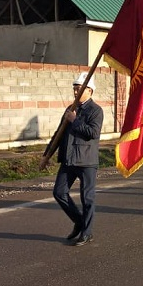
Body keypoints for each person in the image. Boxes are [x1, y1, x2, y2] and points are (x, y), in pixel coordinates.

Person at [44, 72, 103, 246]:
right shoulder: (70, 108)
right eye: (75, 88)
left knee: (87, 198)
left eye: (79, 88)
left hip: (86, 160)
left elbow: (93, 133)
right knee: (59, 192)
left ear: (90, 91)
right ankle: (79, 222)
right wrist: (47, 155)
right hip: (69, 159)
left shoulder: (96, 110)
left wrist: (75, 121)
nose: (76, 91)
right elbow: (58, 133)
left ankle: (87, 232)